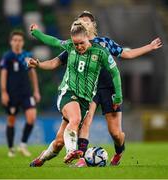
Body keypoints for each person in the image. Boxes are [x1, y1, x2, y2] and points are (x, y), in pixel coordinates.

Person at [29, 11, 162, 167]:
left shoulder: (103, 47)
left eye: (86, 22)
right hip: (75, 92)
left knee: (111, 134)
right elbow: (54, 45)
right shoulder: (72, 44)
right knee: (80, 121)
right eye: (80, 21)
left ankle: (43, 158)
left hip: (103, 90)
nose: (83, 24)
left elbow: (122, 61)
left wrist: (149, 47)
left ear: (91, 26)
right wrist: (37, 34)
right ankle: (77, 156)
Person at [29, 20, 123, 165]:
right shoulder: (69, 46)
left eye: (81, 43)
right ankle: (71, 152)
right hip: (67, 92)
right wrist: (36, 33)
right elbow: (53, 41)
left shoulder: (101, 52)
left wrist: (118, 96)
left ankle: (41, 159)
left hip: (85, 100)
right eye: (75, 43)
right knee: (76, 118)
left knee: (59, 142)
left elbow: (115, 73)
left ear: (87, 37)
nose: (78, 46)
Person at [0, 30, 41, 157]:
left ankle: (23, 144)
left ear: (23, 42)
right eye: (15, 40)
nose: (17, 42)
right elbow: (3, 75)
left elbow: (32, 73)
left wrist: (36, 90)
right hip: (12, 94)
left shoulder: (27, 56)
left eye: (19, 40)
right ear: (11, 42)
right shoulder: (7, 57)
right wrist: (4, 92)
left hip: (26, 93)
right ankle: (11, 148)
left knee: (32, 117)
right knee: (11, 119)